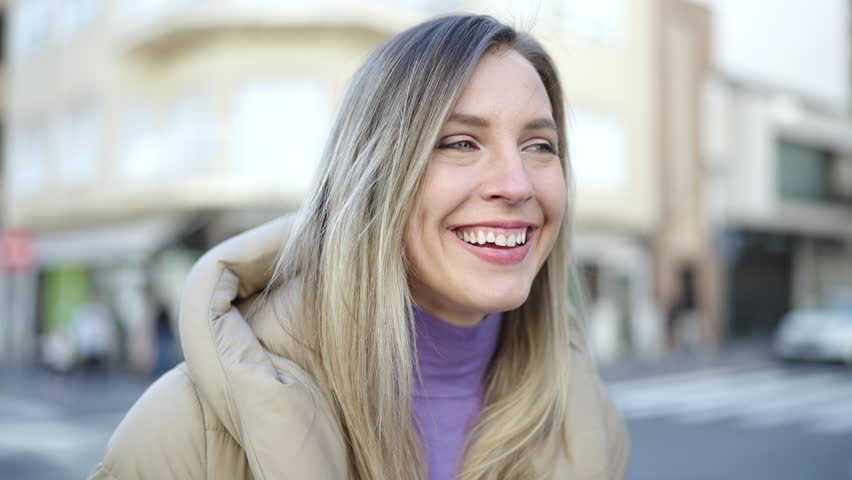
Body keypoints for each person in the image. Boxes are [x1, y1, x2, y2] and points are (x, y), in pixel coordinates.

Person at [90, 14, 629, 480]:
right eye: (461, 142)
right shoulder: (185, 429)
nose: (517, 185)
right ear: (373, 174)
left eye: (539, 145)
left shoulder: (586, 421)